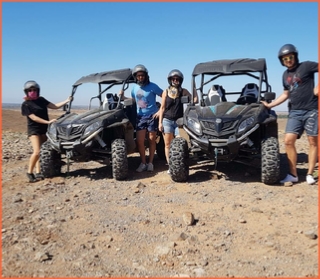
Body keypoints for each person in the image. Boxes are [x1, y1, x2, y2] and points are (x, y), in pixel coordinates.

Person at [261, 44, 318, 185]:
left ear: (295, 56)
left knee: (313, 142)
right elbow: (286, 93)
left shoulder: (306, 66)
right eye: (285, 59)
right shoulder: (285, 75)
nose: (288, 60)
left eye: (290, 57)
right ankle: (293, 174)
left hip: (312, 110)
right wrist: (270, 105)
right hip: (294, 111)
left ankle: (310, 174)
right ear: (282, 61)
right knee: (288, 141)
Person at [21, 80, 73, 182]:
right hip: (34, 130)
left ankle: (38, 172)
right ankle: (29, 172)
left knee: (43, 151)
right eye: (30, 90)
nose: (32, 91)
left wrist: (67, 100)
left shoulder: (41, 100)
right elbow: (34, 118)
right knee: (37, 151)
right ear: (26, 91)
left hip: (44, 130)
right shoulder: (25, 104)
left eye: (34, 90)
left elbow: (55, 106)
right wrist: (48, 122)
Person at [119, 64, 163, 172]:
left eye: (142, 75)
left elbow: (164, 96)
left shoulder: (153, 86)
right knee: (139, 141)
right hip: (140, 117)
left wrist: (160, 110)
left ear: (146, 76)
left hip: (152, 116)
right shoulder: (134, 88)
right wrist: (123, 97)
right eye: (138, 76)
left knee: (152, 140)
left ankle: (151, 163)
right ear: (135, 77)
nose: (140, 77)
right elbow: (134, 100)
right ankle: (143, 163)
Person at [158, 69, 198, 173]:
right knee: (168, 144)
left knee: (182, 142)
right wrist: (160, 123)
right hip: (167, 120)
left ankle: (181, 163)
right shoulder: (165, 92)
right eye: (173, 79)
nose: (175, 80)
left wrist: (194, 89)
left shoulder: (183, 91)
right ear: (170, 80)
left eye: (177, 79)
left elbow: (195, 100)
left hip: (179, 121)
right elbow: (162, 108)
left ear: (180, 80)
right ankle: (171, 166)